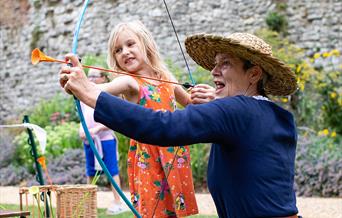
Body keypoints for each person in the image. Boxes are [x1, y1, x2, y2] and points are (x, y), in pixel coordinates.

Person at [60, 32, 300, 218]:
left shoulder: (235, 111)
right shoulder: (278, 116)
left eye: (225, 63)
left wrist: (89, 92)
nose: (214, 71)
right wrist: (217, 103)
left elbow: (163, 126)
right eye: (215, 64)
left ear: (254, 74)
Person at [76, 21, 198, 217]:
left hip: (173, 152)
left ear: (146, 45)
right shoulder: (129, 81)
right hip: (148, 159)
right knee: (153, 212)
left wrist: (204, 95)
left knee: (174, 211)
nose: (125, 52)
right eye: (118, 50)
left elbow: (192, 105)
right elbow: (96, 92)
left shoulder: (166, 76)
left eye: (130, 44)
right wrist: (78, 82)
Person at [79, 68, 126, 215]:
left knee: (112, 171)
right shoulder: (84, 96)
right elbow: (82, 117)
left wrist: (97, 130)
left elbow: (113, 120)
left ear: (103, 79)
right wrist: (82, 130)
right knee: (90, 171)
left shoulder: (106, 96)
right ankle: (89, 203)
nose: (91, 78)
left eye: (95, 75)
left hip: (105, 140)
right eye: (90, 75)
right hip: (89, 141)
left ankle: (118, 202)